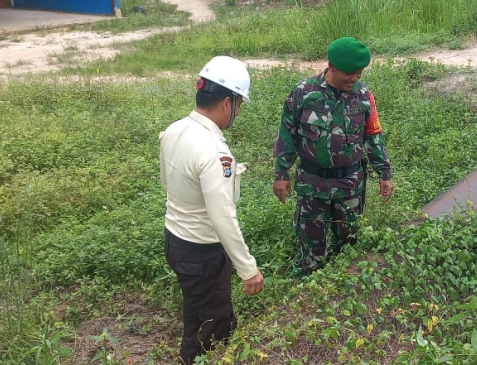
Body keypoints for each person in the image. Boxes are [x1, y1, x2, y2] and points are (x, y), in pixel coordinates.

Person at [160, 56, 264, 364]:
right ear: (226, 103)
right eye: (239, 104)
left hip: (175, 240)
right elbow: (222, 218)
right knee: (213, 329)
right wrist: (248, 269)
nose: (239, 111)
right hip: (202, 253)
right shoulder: (215, 152)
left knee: (198, 310)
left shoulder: (175, 129)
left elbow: (166, 182)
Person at [273, 37, 394, 278]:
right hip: (312, 185)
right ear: (331, 66)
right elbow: (286, 135)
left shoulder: (363, 95)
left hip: (349, 185)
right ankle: (304, 298)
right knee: (310, 253)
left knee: (349, 249)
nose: (354, 79)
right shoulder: (303, 93)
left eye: (359, 73)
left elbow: (373, 135)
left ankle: (342, 297)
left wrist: (385, 174)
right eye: (350, 73)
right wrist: (281, 174)